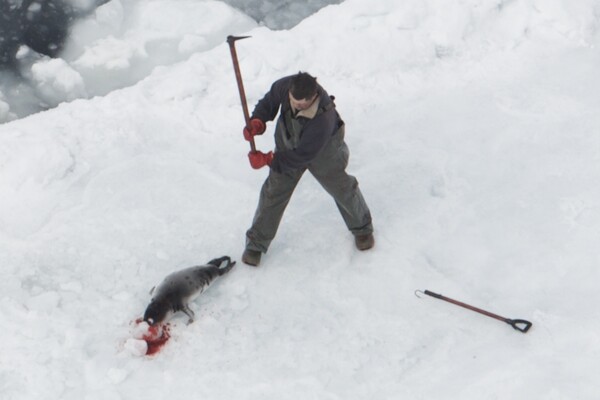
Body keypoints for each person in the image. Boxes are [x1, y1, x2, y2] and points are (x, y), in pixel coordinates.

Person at [241, 72, 374, 266]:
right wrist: (258, 121)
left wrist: (268, 159)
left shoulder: (323, 118)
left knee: (341, 187)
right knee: (274, 191)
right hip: (289, 141)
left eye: (302, 105)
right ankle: (256, 243)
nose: (297, 106)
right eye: (294, 102)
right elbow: (269, 102)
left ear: (313, 97)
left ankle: (362, 228)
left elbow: (301, 156)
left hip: (323, 151)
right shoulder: (285, 86)